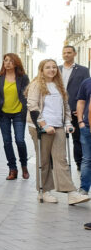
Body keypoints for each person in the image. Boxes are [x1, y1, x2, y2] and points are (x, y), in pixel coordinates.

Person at [27, 59, 89, 205]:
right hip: (41, 127)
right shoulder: (36, 84)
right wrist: (43, 125)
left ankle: (71, 193)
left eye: (54, 67)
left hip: (59, 126)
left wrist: (68, 123)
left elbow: (66, 107)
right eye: (48, 67)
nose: (52, 70)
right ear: (41, 70)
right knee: (44, 160)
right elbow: (32, 105)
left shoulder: (59, 86)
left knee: (61, 159)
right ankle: (44, 191)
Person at [0, 54, 31, 180]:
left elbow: (28, 94)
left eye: (11, 61)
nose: (7, 63)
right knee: (7, 141)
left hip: (19, 112)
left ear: (16, 63)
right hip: (3, 114)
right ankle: (12, 169)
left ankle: (24, 165)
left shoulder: (23, 78)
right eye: (6, 60)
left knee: (20, 140)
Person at [61, 45, 90, 171]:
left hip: (74, 110)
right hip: (58, 110)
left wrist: (80, 111)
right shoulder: (56, 69)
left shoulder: (83, 70)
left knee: (77, 139)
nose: (66, 55)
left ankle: (79, 164)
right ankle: (57, 164)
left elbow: (86, 93)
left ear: (74, 54)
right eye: (64, 53)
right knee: (57, 138)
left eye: (69, 52)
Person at [76, 75, 91, 197]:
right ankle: (83, 190)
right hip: (87, 127)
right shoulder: (86, 82)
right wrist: (80, 121)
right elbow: (81, 102)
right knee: (87, 159)